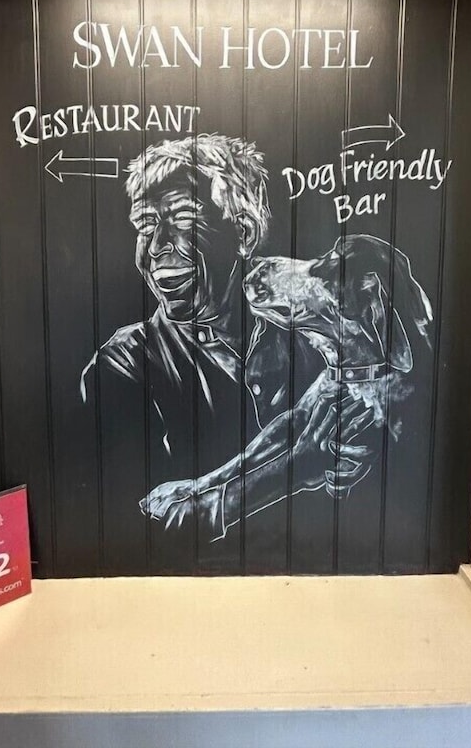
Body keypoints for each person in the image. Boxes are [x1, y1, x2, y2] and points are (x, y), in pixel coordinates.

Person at [81, 134, 430, 574]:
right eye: (145, 225)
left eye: (183, 218)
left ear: (243, 233)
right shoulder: (122, 366)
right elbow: (121, 533)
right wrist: (291, 471)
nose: (155, 247)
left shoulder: (312, 334)